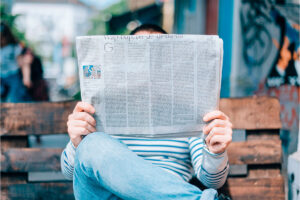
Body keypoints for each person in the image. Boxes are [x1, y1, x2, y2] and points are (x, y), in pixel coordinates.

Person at [61, 24, 232, 200]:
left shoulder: (189, 112)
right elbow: (70, 173)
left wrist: (216, 153)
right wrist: (76, 144)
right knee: (91, 144)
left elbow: (212, 181)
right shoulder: (98, 108)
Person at [0, 22, 30, 102]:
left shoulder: (14, 47)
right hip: (1, 77)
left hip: (13, 76)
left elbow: (23, 63)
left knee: (14, 97)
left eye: (2, 37)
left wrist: (26, 78)